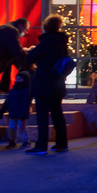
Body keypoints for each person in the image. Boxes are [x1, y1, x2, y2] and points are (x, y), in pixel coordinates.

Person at [25, 15, 70, 155]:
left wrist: (32, 53)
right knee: (57, 113)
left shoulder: (46, 42)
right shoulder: (62, 42)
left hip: (44, 83)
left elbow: (29, 58)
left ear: (45, 27)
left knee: (42, 116)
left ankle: (41, 145)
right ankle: (62, 143)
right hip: (57, 83)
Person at [0, 70, 31, 150]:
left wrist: (24, 113)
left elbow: (25, 102)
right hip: (13, 113)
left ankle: (26, 141)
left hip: (21, 114)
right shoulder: (13, 90)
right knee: (12, 128)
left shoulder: (26, 90)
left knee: (22, 129)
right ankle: (13, 141)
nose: (17, 80)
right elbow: (8, 100)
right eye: (17, 78)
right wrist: (3, 109)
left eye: (20, 79)